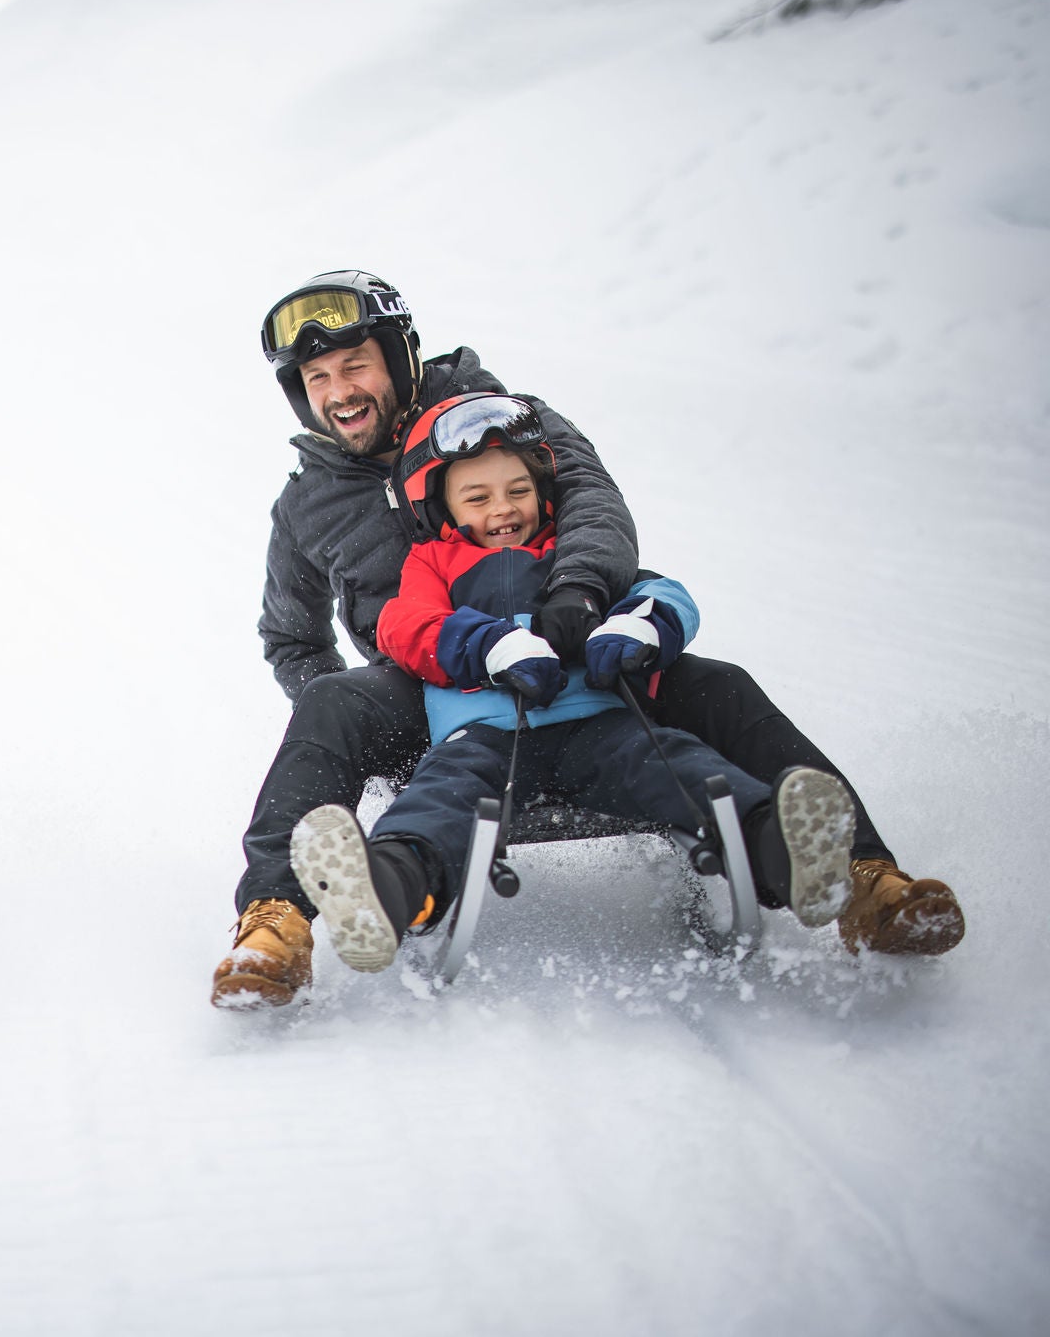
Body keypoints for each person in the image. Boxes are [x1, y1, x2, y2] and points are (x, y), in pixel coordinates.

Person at [211, 272, 962, 1008]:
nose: (340, 390)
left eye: (356, 366)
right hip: (439, 685)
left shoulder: (509, 422)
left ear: (398, 359)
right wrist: (381, 725)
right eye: (319, 377)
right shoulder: (307, 502)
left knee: (717, 685)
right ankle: (276, 925)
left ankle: (863, 880)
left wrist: (583, 597)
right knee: (332, 701)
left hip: (586, 650)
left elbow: (597, 509)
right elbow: (291, 635)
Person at [286, 393, 854, 974]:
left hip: (600, 726)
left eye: (517, 492)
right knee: (435, 803)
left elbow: (664, 593)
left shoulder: (569, 555)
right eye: (477, 498)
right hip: (482, 737)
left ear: (541, 493)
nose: (502, 509)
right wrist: (486, 645)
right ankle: (388, 891)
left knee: (679, 765)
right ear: (446, 509)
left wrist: (638, 630)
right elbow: (405, 626)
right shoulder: (433, 564)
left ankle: (784, 849)